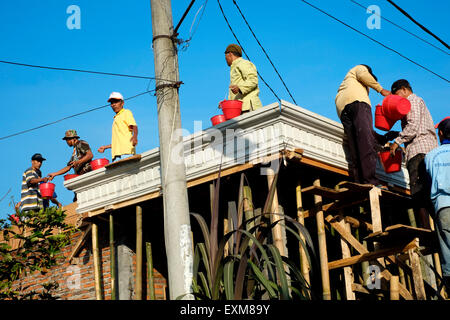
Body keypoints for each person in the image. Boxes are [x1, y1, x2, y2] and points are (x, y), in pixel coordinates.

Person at [388, 79, 438, 229]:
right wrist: (397, 135)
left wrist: (397, 141)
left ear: (404, 90)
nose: (397, 99)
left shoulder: (412, 101)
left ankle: (426, 232)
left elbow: (413, 126)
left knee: (418, 193)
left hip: (419, 151)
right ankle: (440, 229)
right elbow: (416, 127)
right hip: (426, 150)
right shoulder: (416, 102)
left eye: (397, 95)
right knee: (429, 193)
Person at [335, 64, 392, 186]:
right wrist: (381, 89)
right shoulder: (360, 68)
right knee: (366, 144)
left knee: (355, 147)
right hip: (358, 103)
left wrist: (383, 138)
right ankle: (370, 180)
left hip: (343, 109)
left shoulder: (347, 83)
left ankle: (360, 181)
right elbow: (363, 74)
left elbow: (367, 132)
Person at [424, 116, 450, 287]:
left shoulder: (431, 155)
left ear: (440, 133)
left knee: (447, 247)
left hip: (444, 206)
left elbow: (429, 179)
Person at [98, 92, 138, 162]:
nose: (113, 104)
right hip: (116, 156)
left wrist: (135, 136)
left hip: (126, 152)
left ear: (122, 103)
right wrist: (105, 147)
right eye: (112, 103)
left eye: (115, 102)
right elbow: (117, 142)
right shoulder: (116, 118)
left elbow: (134, 125)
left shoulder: (126, 112)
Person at [224, 44, 263, 113]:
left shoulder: (243, 63)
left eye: (225, 56)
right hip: (240, 108)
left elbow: (253, 80)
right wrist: (226, 104)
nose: (225, 59)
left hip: (248, 107)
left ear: (230, 54)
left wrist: (239, 88)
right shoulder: (235, 67)